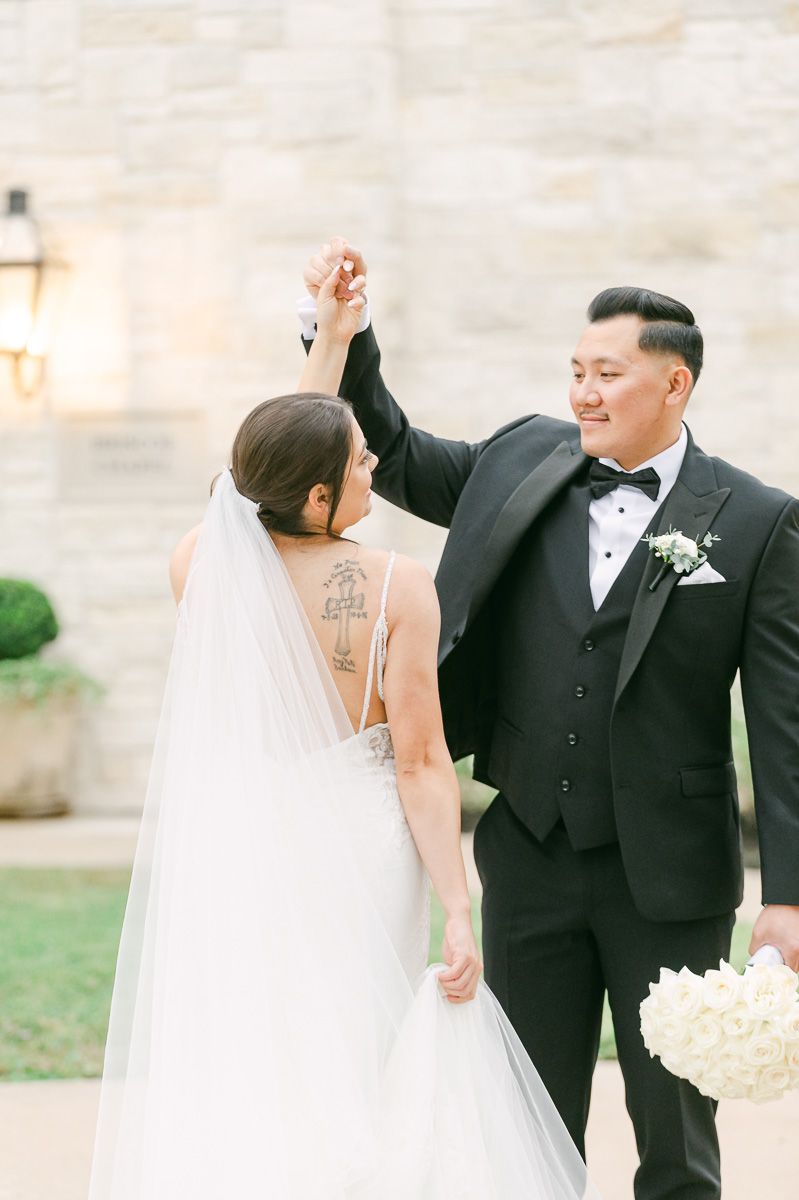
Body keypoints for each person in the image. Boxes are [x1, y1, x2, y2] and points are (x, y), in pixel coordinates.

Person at [299, 238, 799, 1200]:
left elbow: (783, 720)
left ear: (674, 383)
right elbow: (392, 456)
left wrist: (787, 891)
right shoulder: (519, 455)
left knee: (677, 1142)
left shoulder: (756, 520)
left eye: (607, 374)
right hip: (527, 851)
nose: (583, 393)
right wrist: (346, 340)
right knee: (521, 1129)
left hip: (671, 875)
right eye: (575, 372)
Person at [86, 264, 600, 1199]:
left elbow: (273, 456)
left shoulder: (200, 564)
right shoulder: (397, 586)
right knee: (364, 1051)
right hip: (363, 852)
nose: (372, 470)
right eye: (358, 464)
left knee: (265, 1051)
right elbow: (420, 763)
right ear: (318, 498)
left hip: (248, 845)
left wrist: (333, 337)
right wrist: (457, 905)